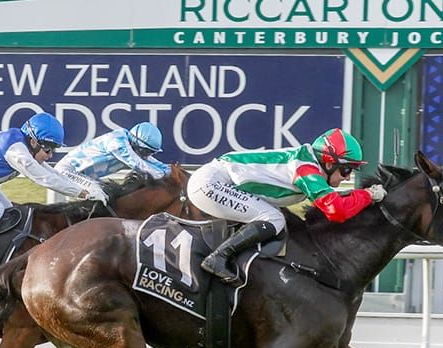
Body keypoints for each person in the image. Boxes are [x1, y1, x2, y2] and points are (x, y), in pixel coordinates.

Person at [187, 128, 387, 283]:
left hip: (216, 181)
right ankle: (219, 257)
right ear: (328, 162)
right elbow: (336, 211)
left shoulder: (309, 165)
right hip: (211, 183)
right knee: (274, 218)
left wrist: (361, 195)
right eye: (346, 170)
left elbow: (335, 201)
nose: (348, 177)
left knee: (274, 217)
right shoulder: (306, 169)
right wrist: (368, 195)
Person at [0, 112, 108, 271]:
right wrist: (83, 194)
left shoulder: (23, 144)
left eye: (54, 149)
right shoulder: (17, 151)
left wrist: (88, 188)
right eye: (48, 148)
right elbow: (43, 178)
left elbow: (52, 173)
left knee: (8, 210)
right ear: (33, 141)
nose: (50, 154)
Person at [54, 121, 171, 181]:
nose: (148, 155)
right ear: (136, 143)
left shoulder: (132, 144)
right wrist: (163, 174)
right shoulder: (117, 143)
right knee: (99, 194)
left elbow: (150, 161)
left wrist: (168, 170)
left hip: (84, 176)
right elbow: (138, 164)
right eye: (147, 151)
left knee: (110, 194)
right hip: (68, 171)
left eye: (152, 152)